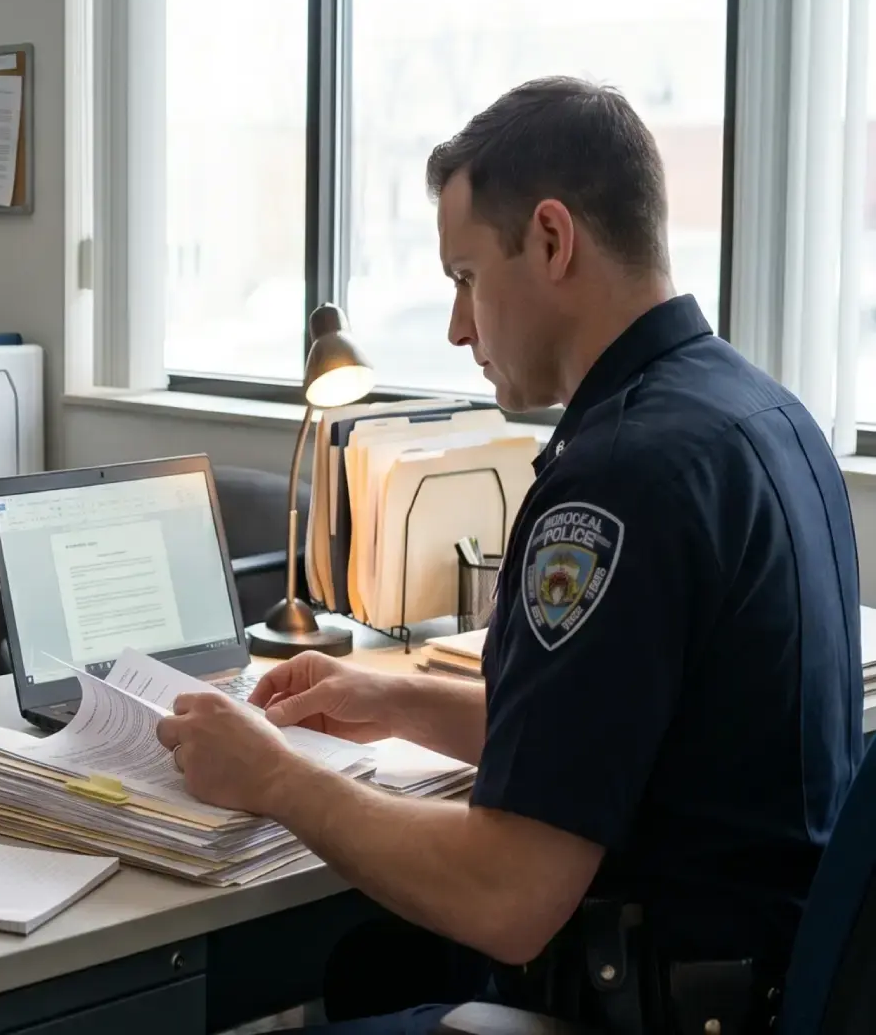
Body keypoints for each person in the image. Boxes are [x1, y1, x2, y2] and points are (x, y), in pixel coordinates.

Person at [157, 76, 864, 1034]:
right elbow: (619, 731)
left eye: (464, 278)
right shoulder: (761, 415)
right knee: (369, 964)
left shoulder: (616, 480)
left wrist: (274, 779)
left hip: (640, 1003)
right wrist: (398, 699)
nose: (457, 327)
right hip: (741, 977)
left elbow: (508, 899)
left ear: (550, 238)